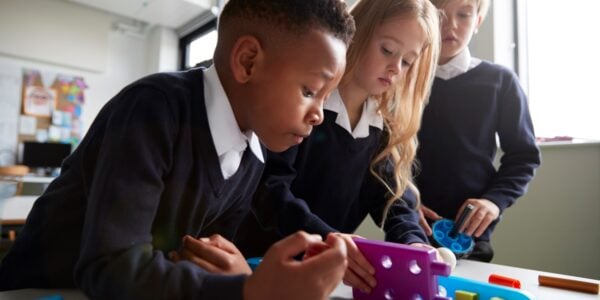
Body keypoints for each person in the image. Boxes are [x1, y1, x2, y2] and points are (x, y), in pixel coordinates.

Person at [0, 1, 356, 299]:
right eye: (310, 91)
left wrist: (231, 274)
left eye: (325, 98)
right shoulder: (154, 107)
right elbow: (109, 267)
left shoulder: (251, 154)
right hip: (38, 289)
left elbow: (191, 261)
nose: (319, 115)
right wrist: (246, 289)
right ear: (247, 61)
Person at [224, 0, 440, 294]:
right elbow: (270, 189)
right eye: (388, 50)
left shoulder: (380, 130)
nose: (395, 68)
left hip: (317, 275)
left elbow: (393, 202)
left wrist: (415, 244)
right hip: (255, 264)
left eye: (406, 62)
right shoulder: (303, 105)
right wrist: (329, 237)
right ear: (357, 34)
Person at [416, 0, 541, 262]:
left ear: (478, 22)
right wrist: (403, 199)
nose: (450, 25)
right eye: (439, 14)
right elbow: (384, 155)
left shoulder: (501, 81)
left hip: (473, 238)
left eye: (463, 14)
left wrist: (494, 201)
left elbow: (524, 156)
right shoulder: (401, 79)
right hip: (409, 229)